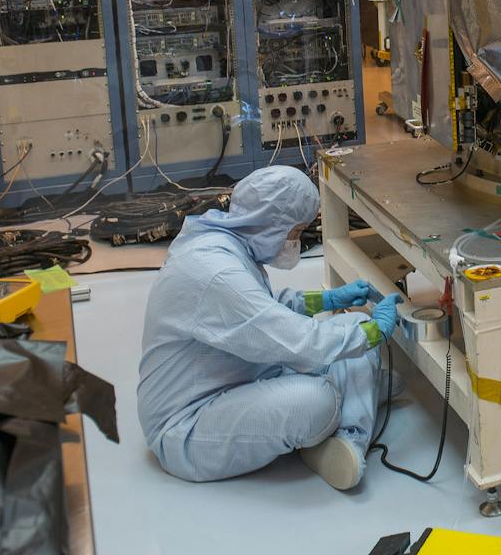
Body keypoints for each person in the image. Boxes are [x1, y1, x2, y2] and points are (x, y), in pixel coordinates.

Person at [138, 166, 403, 489]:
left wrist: (329, 300)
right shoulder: (217, 272)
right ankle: (348, 415)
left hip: (241, 376)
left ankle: (345, 436)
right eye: (296, 232)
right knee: (317, 399)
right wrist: (375, 333)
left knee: (355, 321)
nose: (295, 242)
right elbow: (299, 342)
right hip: (188, 424)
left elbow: (263, 307)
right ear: (272, 223)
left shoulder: (223, 241)